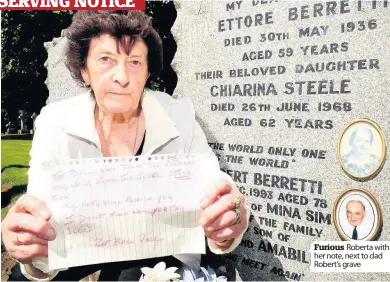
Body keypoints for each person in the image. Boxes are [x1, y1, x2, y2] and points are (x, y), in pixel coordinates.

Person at [1, 11, 249, 281]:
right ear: (85, 71)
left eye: (134, 62)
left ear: (147, 72)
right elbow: (39, 214)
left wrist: (229, 220)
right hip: (81, 244)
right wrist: (31, 244)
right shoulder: (55, 122)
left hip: (157, 244)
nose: (122, 76)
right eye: (106, 59)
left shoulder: (178, 115)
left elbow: (214, 183)